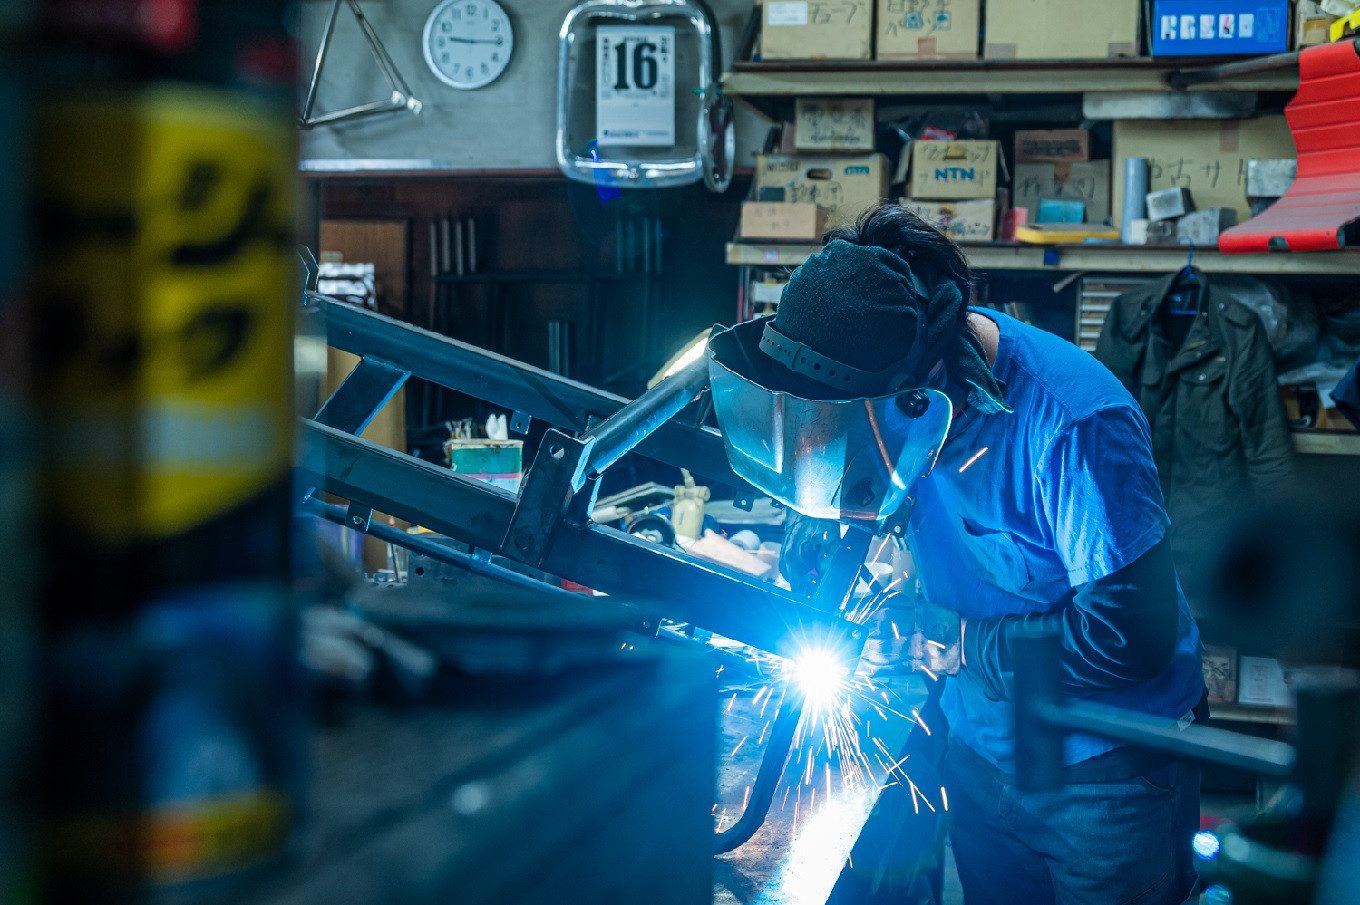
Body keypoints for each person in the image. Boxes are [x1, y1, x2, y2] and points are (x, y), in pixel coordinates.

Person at [706, 202, 1207, 905]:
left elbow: (1133, 637)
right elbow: (861, 486)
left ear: (930, 380)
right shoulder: (885, 399)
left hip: (1102, 772)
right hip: (981, 747)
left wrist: (960, 643)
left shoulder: (1073, 425)